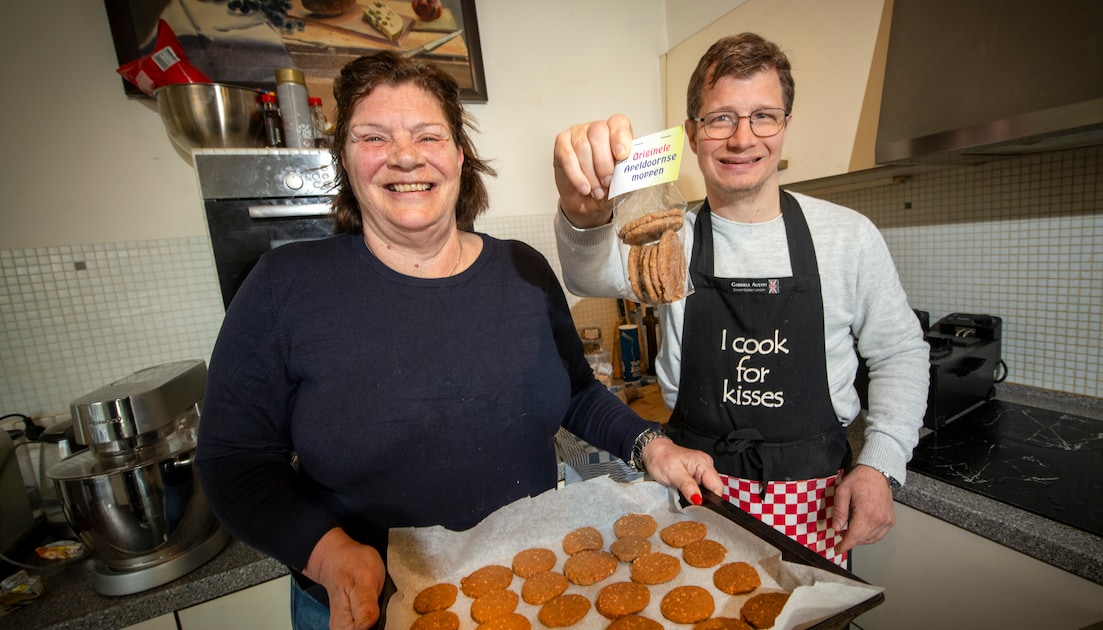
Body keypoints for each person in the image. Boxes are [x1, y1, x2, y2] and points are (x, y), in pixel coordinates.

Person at [195, 51, 721, 630]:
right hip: (367, 603)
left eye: (428, 135)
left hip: (533, 588)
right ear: (344, 159)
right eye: (373, 137)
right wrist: (327, 554)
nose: (404, 156)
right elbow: (233, 461)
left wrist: (653, 446)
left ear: (459, 154)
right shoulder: (285, 285)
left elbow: (573, 389)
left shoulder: (522, 270)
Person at [552, 32, 929, 567]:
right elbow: (587, 275)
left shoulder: (847, 236)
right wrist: (584, 212)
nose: (742, 138)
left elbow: (900, 353)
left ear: (785, 126)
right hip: (693, 490)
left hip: (817, 504)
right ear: (692, 132)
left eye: (763, 116)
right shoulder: (665, 236)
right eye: (720, 118)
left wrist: (882, 462)